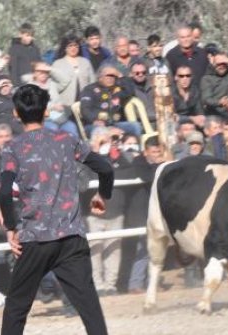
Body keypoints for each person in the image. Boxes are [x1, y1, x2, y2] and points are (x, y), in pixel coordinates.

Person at [0, 84, 112, 334]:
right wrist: (103, 195)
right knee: (90, 308)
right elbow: (105, 168)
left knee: (16, 308)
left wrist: (10, 228)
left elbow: (5, 192)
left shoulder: (13, 148)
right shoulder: (67, 140)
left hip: (35, 240)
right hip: (71, 239)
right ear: (46, 112)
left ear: (16, 114)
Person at [85, 126, 129, 296]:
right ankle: (98, 285)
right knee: (95, 250)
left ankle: (111, 285)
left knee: (114, 249)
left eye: (108, 140)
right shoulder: (86, 158)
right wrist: (95, 152)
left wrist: (115, 151)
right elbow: (87, 175)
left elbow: (127, 169)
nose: (106, 144)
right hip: (94, 214)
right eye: (102, 141)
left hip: (116, 211)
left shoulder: (118, 157)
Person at [125, 136, 165, 294]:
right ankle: (135, 283)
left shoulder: (158, 163)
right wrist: (161, 165)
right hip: (140, 212)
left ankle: (151, 282)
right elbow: (147, 176)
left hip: (155, 210)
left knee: (156, 247)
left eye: (159, 152)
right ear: (145, 151)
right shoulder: (139, 162)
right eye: (154, 152)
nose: (156, 154)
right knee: (143, 247)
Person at [79, 65, 140, 137]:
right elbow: (85, 109)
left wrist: (120, 76)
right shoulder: (90, 89)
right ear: (100, 77)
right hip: (95, 124)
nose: (111, 78)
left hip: (114, 123)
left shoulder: (117, 89)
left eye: (113, 76)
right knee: (101, 131)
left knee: (135, 126)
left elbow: (130, 90)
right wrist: (94, 120)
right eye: (108, 76)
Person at [27, 62, 79, 137]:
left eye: (45, 71)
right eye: (40, 71)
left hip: (60, 118)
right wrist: (53, 106)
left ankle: (74, 148)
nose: (43, 73)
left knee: (71, 127)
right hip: (43, 120)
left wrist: (50, 69)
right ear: (34, 73)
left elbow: (66, 80)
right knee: (53, 130)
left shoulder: (52, 84)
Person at [51, 35, 97, 107]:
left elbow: (93, 82)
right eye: (70, 46)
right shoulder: (57, 64)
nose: (73, 48)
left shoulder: (85, 62)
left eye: (76, 45)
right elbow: (52, 87)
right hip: (65, 105)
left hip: (85, 104)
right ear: (65, 48)